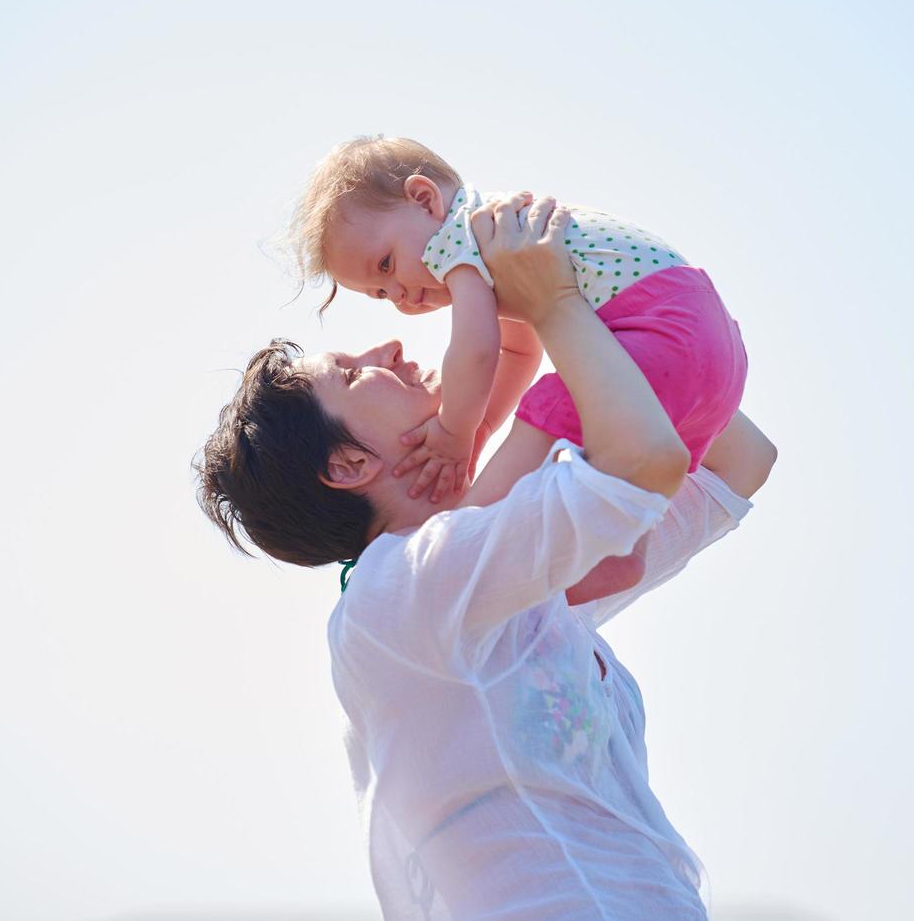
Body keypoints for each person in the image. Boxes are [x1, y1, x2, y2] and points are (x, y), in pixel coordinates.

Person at [197, 193, 776, 919]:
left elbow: (739, 461)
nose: (391, 348)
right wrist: (554, 303)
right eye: (350, 373)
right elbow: (650, 460)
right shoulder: (403, 592)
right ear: (346, 465)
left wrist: (612, 314)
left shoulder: (492, 586)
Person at [286, 135, 749, 603]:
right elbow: (519, 350)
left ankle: (462, 536)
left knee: (550, 406)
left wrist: (454, 431)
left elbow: (478, 351)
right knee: (619, 466)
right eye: (382, 294)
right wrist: (481, 425)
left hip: (661, 331)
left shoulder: (461, 239)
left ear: (424, 200)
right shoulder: (498, 236)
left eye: (386, 265)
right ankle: (622, 551)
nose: (399, 295)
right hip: (712, 347)